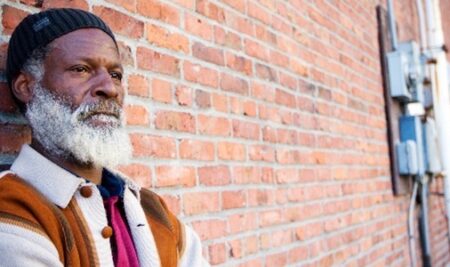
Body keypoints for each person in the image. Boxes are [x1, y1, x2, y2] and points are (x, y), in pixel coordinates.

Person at [0, 8, 209, 267]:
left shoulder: (154, 209)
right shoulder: (11, 207)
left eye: (115, 75)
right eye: (81, 69)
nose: (109, 88)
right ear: (27, 87)